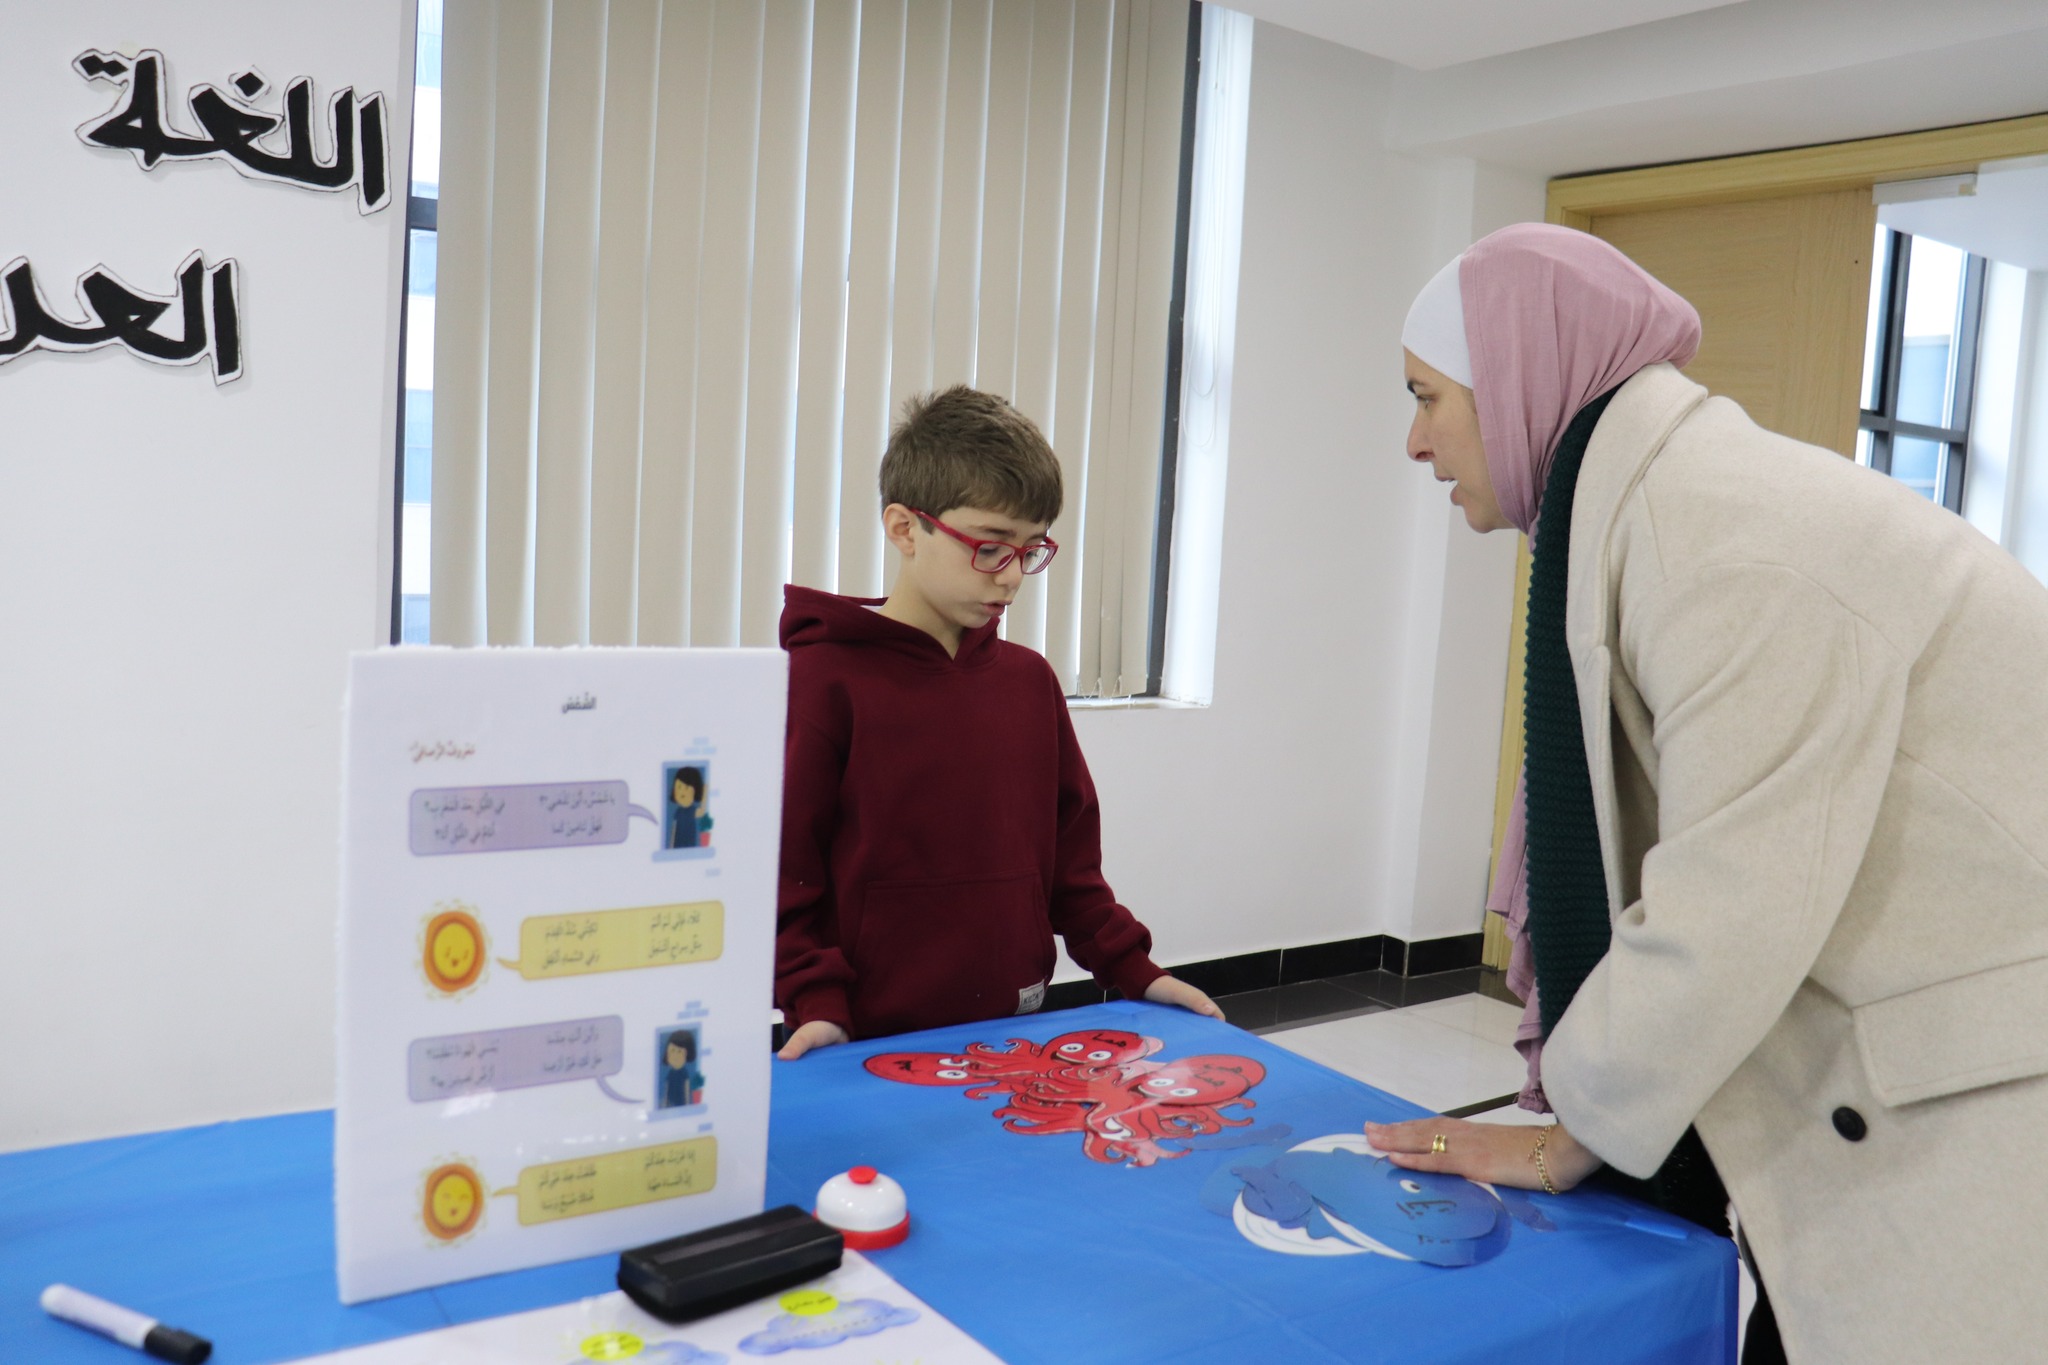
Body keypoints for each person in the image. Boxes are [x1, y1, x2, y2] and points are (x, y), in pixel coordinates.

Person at [1364, 222, 2048, 1363]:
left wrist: (1565, 1137)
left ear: (1520, 378)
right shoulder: (1663, 513)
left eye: (1427, 397)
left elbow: (1730, 900)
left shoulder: (1725, 540)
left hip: (1975, 1084)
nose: (1415, 440)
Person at [773, 385, 1222, 1060]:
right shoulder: (819, 682)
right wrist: (815, 1002)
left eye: (1031, 548)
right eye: (990, 547)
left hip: (1015, 1030)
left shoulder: (1028, 683)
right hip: (858, 1038)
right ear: (905, 529)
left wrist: (1137, 971)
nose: (1012, 577)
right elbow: (787, 875)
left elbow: (1072, 872)